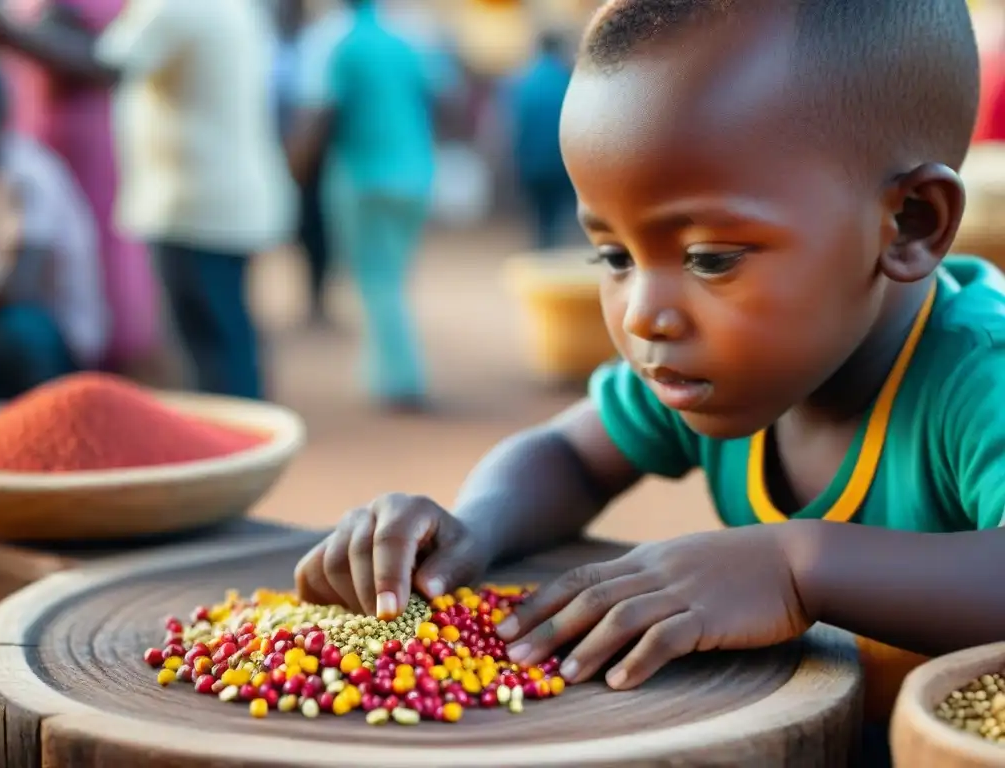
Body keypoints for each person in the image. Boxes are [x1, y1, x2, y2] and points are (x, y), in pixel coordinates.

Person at [293, 0, 1002, 761]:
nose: (644, 315)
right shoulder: (728, 364)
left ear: (911, 224)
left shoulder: (977, 373)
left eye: (710, 259)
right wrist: (475, 528)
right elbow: (566, 455)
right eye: (614, 257)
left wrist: (797, 567)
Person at [0, 0, 298, 400]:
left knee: (208, 342)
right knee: (227, 333)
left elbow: (105, 67)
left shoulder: (171, 8)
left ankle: (234, 440)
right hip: (230, 196)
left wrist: (9, 32)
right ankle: (244, 428)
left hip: (194, 203)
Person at [0, 0, 168, 385]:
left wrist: (13, 33)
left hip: (88, 143)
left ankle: (103, 380)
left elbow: (106, 65)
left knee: (94, 263)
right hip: (46, 129)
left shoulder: (26, 173)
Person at [287, 0, 447, 413]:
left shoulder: (339, 43)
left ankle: (401, 380)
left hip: (364, 178)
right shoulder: (407, 41)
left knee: (377, 281)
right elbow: (442, 100)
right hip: (416, 173)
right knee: (392, 278)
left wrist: (295, 167)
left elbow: (323, 112)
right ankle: (381, 370)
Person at [0, 56, 106, 399]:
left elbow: (20, 287)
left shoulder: (28, 173)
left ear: (0, 114)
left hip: (53, 340)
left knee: (16, 329)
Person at [271, 0, 334, 327]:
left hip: (313, 155)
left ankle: (317, 299)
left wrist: (302, 153)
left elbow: (319, 109)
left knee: (315, 229)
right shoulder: (269, 48)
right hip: (280, 152)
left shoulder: (315, 46)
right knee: (291, 229)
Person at [504, 30, 577, 251]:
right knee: (557, 215)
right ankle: (553, 249)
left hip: (531, 162)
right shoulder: (567, 80)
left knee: (539, 215)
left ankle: (543, 248)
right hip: (560, 160)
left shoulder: (524, 80)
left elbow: (513, 125)